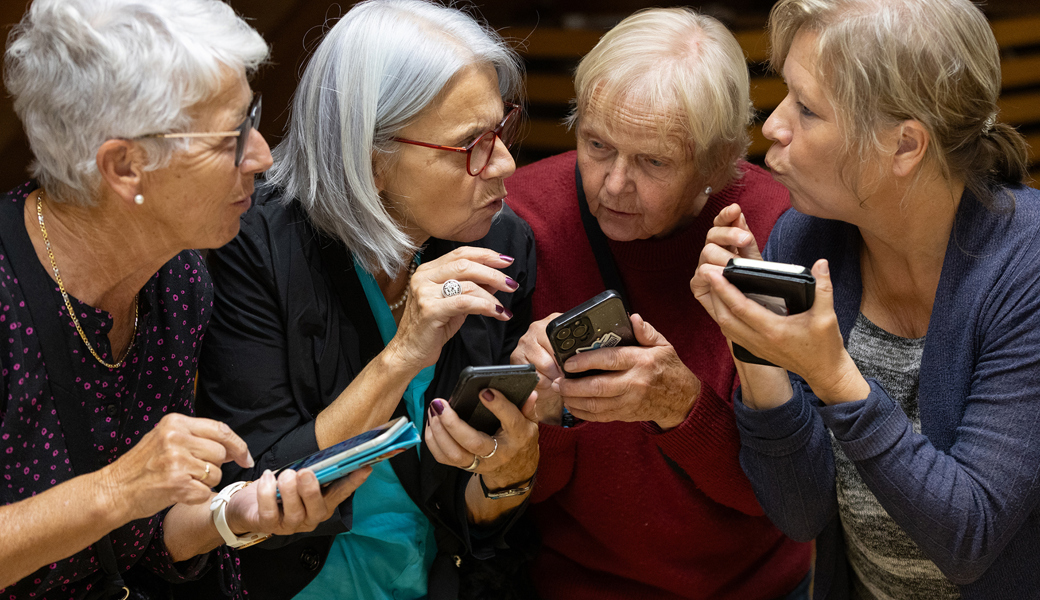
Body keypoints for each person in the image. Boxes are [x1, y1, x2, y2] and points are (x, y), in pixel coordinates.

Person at [0, 1, 370, 599]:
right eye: (231, 137)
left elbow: (143, 538)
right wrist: (116, 488)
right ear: (125, 167)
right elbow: (124, 497)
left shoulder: (178, 281)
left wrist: (237, 516)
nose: (262, 156)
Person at [181, 1, 540, 598]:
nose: (504, 163)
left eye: (502, 129)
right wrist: (402, 355)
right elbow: (250, 492)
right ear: (372, 162)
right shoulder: (254, 245)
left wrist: (511, 467)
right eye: (472, 144)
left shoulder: (501, 239)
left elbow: (478, 524)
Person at [692, 0, 1040, 597]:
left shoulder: (1025, 269)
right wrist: (758, 349)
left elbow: (969, 536)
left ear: (905, 146)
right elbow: (800, 513)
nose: (773, 125)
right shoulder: (807, 236)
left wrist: (832, 374)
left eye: (806, 108)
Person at [507, 7, 811, 600]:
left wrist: (681, 405)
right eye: (596, 144)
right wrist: (544, 415)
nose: (614, 185)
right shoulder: (521, 221)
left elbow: (784, 497)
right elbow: (512, 500)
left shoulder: (780, 227)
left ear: (718, 162)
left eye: (653, 161)